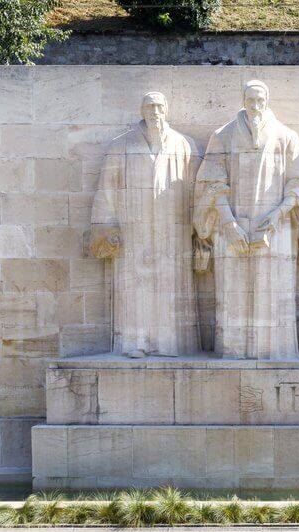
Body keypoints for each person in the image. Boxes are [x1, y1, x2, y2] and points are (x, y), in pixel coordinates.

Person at [194, 80, 299, 359]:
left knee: (274, 293)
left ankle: (275, 351)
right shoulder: (223, 136)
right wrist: (228, 223)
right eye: (250, 100)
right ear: (243, 101)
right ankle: (235, 352)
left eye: (260, 100)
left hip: (276, 229)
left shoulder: (287, 137)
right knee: (233, 293)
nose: (255, 106)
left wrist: (279, 213)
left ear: (268, 101)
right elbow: (211, 182)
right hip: (231, 229)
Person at [90, 92, 199, 357]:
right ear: (142, 111)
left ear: (167, 110)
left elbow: (198, 190)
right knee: (135, 285)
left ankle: (168, 343)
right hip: (133, 229)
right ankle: (135, 343)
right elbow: (107, 189)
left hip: (173, 230)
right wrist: (106, 228)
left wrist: (200, 231)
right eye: (149, 107)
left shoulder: (184, 145)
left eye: (159, 107)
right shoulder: (121, 146)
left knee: (170, 283)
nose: (155, 112)